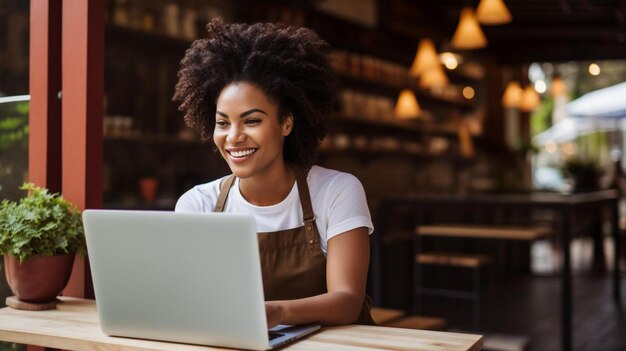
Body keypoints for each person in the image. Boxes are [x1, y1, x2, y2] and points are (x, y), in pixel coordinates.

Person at [172, 18, 374, 328]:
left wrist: (276, 313)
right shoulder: (197, 204)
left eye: (251, 121)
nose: (233, 136)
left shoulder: (336, 191)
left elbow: (347, 301)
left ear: (286, 124)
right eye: (223, 123)